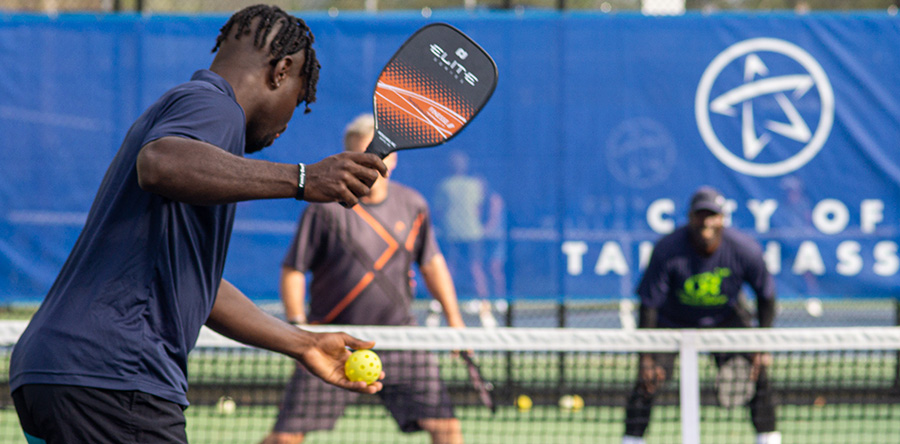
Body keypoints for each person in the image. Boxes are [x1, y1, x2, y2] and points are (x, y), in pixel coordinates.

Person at [9, 6, 387, 444]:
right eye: (298, 100)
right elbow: (160, 163)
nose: (287, 124)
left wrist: (303, 343)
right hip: (115, 375)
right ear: (281, 70)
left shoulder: (188, 115)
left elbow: (198, 285)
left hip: (53, 371)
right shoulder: (214, 106)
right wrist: (304, 178)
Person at [261, 114, 466, 444]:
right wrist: (299, 327)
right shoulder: (324, 209)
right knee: (286, 438)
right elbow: (294, 270)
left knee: (447, 429)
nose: (372, 163)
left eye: (380, 154)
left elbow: (432, 264)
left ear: (393, 159)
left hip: (402, 340)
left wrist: (455, 322)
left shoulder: (413, 205)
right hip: (332, 340)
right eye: (363, 155)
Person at [622, 186, 780, 444]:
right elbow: (648, 305)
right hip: (672, 323)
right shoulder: (667, 249)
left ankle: (769, 439)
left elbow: (767, 297)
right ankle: (631, 441)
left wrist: (761, 346)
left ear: (722, 219)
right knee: (647, 381)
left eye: (712, 216)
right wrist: (646, 358)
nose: (706, 222)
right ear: (690, 218)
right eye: (701, 215)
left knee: (757, 375)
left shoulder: (745, 250)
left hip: (725, 319)